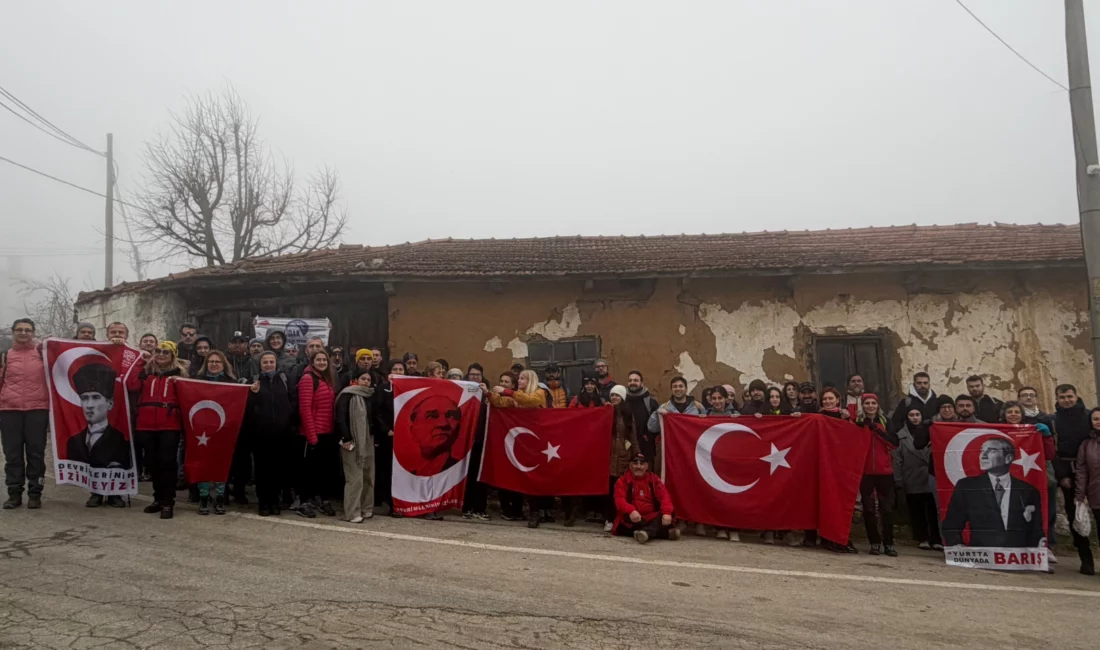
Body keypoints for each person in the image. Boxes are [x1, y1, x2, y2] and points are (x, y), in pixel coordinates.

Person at [941, 438, 1045, 548]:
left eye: (992, 451)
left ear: (1008, 458)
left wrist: (1039, 546)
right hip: (982, 555)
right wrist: (956, 544)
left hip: (1016, 557)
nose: (983, 455)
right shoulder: (967, 486)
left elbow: (1036, 528)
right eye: (982, 450)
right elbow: (952, 523)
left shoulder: (1028, 491)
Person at [127, 341, 186, 519]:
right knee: (151, 462)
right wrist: (140, 362)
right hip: (145, 424)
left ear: (172, 356)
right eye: (158, 351)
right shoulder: (146, 372)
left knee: (167, 462)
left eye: (166, 352)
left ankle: (168, 501)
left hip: (169, 424)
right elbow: (131, 385)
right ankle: (158, 498)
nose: (161, 354)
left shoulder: (179, 375)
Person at [0, 318, 50, 510]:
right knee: (12, 455)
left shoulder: (42, 354)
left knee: (36, 454)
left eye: (27, 330)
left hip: (37, 410)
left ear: (33, 332)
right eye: (19, 330)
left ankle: (35, 493)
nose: (23, 333)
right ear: (13, 332)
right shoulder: (5, 355)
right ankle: (14, 494)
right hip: (9, 411)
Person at [490, 369, 549, 528]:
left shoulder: (539, 393)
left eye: (523, 378)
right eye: (520, 378)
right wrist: (488, 394)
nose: (520, 381)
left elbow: (530, 401)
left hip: (538, 440)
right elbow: (500, 403)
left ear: (530, 380)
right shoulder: (515, 396)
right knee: (526, 475)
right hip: (523, 440)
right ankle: (534, 511)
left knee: (537, 476)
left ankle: (538, 511)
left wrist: (507, 391)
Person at [69, 362, 131, 508]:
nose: (89, 405)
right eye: (85, 398)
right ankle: (95, 493)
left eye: (96, 397)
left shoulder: (119, 438)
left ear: (109, 404)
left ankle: (114, 494)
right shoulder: (74, 440)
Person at [248, 351, 295, 516]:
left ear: (276, 363)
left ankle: (275, 501)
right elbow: (248, 407)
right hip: (261, 434)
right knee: (262, 470)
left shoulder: (284, 379)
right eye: (265, 362)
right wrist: (252, 394)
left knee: (278, 469)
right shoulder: (254, 380)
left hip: (282, 433)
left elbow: (292, 401)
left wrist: (290, 422)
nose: (268, 364)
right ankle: (263, 502)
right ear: (260, 364)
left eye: (271, 362)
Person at [1053, 384, 1093, 572]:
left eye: (1070, 396)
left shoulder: (1089, 417)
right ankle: (1086, 559)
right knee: (1073, 515)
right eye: (1062, 397)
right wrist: (1062, 475)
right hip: (1067, 473)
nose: (1067, 400)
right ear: (1057, 399)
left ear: (1076, 396)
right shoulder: (1053, 420)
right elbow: (1054, 451)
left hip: (1092, 471)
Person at [1017, 387, 1059, 561]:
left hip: (1042, 469)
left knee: (1046, 508)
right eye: (1024, 395)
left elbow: (1052, 450)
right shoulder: (1013, 417)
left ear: (1036, 398)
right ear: (1019, 398)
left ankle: (1047, 544)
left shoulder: (1047, 419)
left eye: (1031, 395)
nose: (1028, 398)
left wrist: (1047, 436)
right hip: (1019, 471)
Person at [193, 350, 237, 515]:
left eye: (217, 362)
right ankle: (204, 497)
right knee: (202, 462)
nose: (214, 364)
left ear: (223, 365)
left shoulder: (231, 382)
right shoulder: (198, 381)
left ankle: (219, 497)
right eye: (211, 361)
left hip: (223, 429)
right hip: (201, 429)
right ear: (206, 364)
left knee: (221, 462)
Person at [296, 350, 338, 519]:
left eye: (324, 359)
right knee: (308, 471)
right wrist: (311, 435)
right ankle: (304, 502)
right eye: (318, 359)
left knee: (323, 470)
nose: (321, 362)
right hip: (312, 433)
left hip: (327, 432)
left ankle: (321, 499)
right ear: (312, 362)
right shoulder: (308, 379)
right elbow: (305, 409)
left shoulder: (326, 379)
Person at [893, 405, 941, 550]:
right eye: (911, 415)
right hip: (911, 477)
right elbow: (897, 460)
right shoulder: (901, 436)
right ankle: (922, 537)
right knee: (917, 510)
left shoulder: (933, 432)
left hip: (930, 475)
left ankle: (936, 538)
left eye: (917, 414)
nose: (915, 417)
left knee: (933, 509)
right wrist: (898, 480)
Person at [856, 393, 899, 557]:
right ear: (863, 405)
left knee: (886, 509)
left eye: (873, 403)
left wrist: (877, 431)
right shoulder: (859, 422)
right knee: (868, 509)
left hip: (884, 472)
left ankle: (889, 543)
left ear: (877, 405)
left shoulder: (885, 421)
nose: (870, 406)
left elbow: (894, 443)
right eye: (867, 403)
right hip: (865, 472)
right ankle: (874, 542)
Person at [336, 368, 376, 523]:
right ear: (355, 380)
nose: (366, 382)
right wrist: (346, 438)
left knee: (368, 476)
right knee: (355, 478)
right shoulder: (347, 395)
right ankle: (352, 512)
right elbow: (340, 418)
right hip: (351, 441)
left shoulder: (370, 396)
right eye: (363, 379)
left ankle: (367, 508)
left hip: (368, 440)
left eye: (368, 379)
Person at [612, 454, 680, 543]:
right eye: (635, 463)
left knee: (668, 514)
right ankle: (665, 533)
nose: (638, 467)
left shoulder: (654, 479)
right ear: (630, 466)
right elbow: (619, 501)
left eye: (642, 464)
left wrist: (666, 512)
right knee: (624, 525)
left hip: (651, 517)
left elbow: (665, 497)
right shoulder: (622, 481)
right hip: (633, 518)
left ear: (646, 466)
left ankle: (645, 533)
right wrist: (631, 510)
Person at [489, 371, 525, 521]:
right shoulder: (494, 396)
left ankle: (517, 509)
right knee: (503, 475)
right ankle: (506, 509)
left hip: (518, 441)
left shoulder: (517, 398)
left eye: (507, 382)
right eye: (501, 381)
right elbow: (496, 402)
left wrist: (506, 395)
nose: (503, 384)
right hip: (500, 440)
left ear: (513, 385)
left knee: (518, 476)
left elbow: (503, 402)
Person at [372, 359, 405, 517]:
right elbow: (376, 412)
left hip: (405, 438)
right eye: (395, 369)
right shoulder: (382, 389)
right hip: (388, 437)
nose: (398, 372)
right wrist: (386, 430)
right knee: (387, 470)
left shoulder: (409, 389)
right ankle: (388, 503)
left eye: (401, 370)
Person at [1073, 408, 1100, 575]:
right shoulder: (1086, 444)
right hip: (1096, 493)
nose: (1098, 421)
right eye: (1095, 419)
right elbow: (1082, 472)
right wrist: (1080, 496)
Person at [462, 372, 492, 521]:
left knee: (481, 477)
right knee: (468, 476)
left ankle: (480, 508)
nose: (475, 377)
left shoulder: (488, 397)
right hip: (466, 443)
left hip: (483, 443)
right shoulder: (463, 395)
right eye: (472, 374)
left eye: (478, 374)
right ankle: (466, 507)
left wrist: (488, 395)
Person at [624, 371, 660, 465]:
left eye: (636, 380)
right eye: (630, 380)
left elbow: (658, 426)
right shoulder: (622, 401)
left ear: (641, 383)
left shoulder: (651, 403)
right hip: (626, 450)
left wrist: (648, 438)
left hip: (646, 450)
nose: (632, 382)